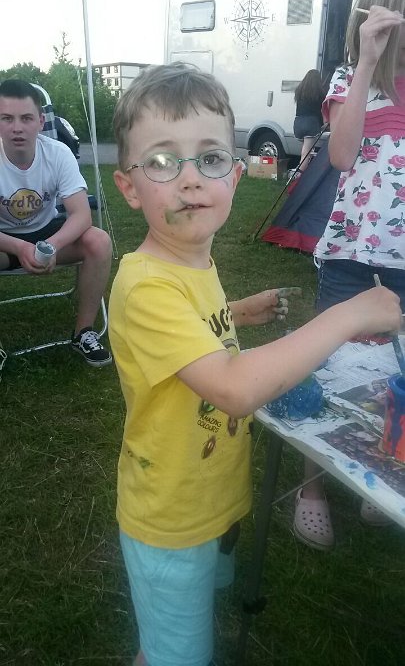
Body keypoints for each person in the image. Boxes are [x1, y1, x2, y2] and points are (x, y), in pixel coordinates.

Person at [109, 61, 401, 666]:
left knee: (186, 622)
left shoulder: (190, 258)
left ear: (236, 176)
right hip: (170, 519)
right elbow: (234, 388)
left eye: (210, 158)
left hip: (211, 496)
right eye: (162, 161)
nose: (191, 179)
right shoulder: (144, 286)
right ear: (130, 188)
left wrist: (236, 314)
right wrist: (349, 315)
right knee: (174, 656)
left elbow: (195, 326)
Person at [294, 0, 405, 551]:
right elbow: (340, 155)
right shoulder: (348, 79)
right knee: (331, 365)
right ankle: (310, 485)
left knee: (395, 372)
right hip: (353, 255)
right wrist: (367, 60)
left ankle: (377, 466)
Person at [0, 79, 112, 366]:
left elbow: (81, 214)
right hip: (5, 240)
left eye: (26, 118)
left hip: (47, 232)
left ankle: (83, 332)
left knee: (98, 241)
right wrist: (19, 247)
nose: (17, 128)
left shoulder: (58, 152)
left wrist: (50, 246)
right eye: (7, 118)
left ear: (40, 122)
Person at [293, 68, 325, 174]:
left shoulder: (299, 91)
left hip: (298, 122)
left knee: (305, 149)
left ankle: (303, 170)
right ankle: (299, 174)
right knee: (307, 152)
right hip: (311, 123)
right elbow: (321, 110)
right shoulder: (319, 93)